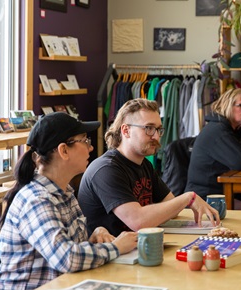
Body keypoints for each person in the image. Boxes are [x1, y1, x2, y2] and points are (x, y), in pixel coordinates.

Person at [0, 112, 137, 290]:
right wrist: (116, 248)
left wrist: (95, 234)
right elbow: (67, 258)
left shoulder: (65, 192)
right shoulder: (36, 200)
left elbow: (70, 244)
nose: (91, 147)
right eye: (85, 141)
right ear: (64, 151)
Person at [77, 98, 219, 236]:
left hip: (137, 248)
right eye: (149, 128)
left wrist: (182, 202)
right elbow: (138, 221)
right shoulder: (106, 169)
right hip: (112, 255)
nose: (156, 137)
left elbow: (171, 207)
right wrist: (188, 197)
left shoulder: (144, 164)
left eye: (158, 129)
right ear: (126, 131)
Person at [185, 88, 241, 209]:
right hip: (205, 197)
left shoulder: (235, 130)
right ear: (228, 106)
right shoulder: (218, 131)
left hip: (224, 191)